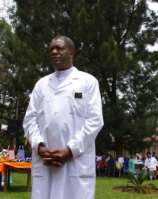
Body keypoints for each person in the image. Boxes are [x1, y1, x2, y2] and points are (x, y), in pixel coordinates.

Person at [23, 35, 104, 199]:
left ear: (72, 52)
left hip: (75, 163)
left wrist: (70, 150)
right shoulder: (41, 85)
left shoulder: (88, 82)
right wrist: (39, 146)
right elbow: (29, 120)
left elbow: (95, 120)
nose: (54, 52)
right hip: (45, 162)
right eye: (51, 49)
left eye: (59, 48)